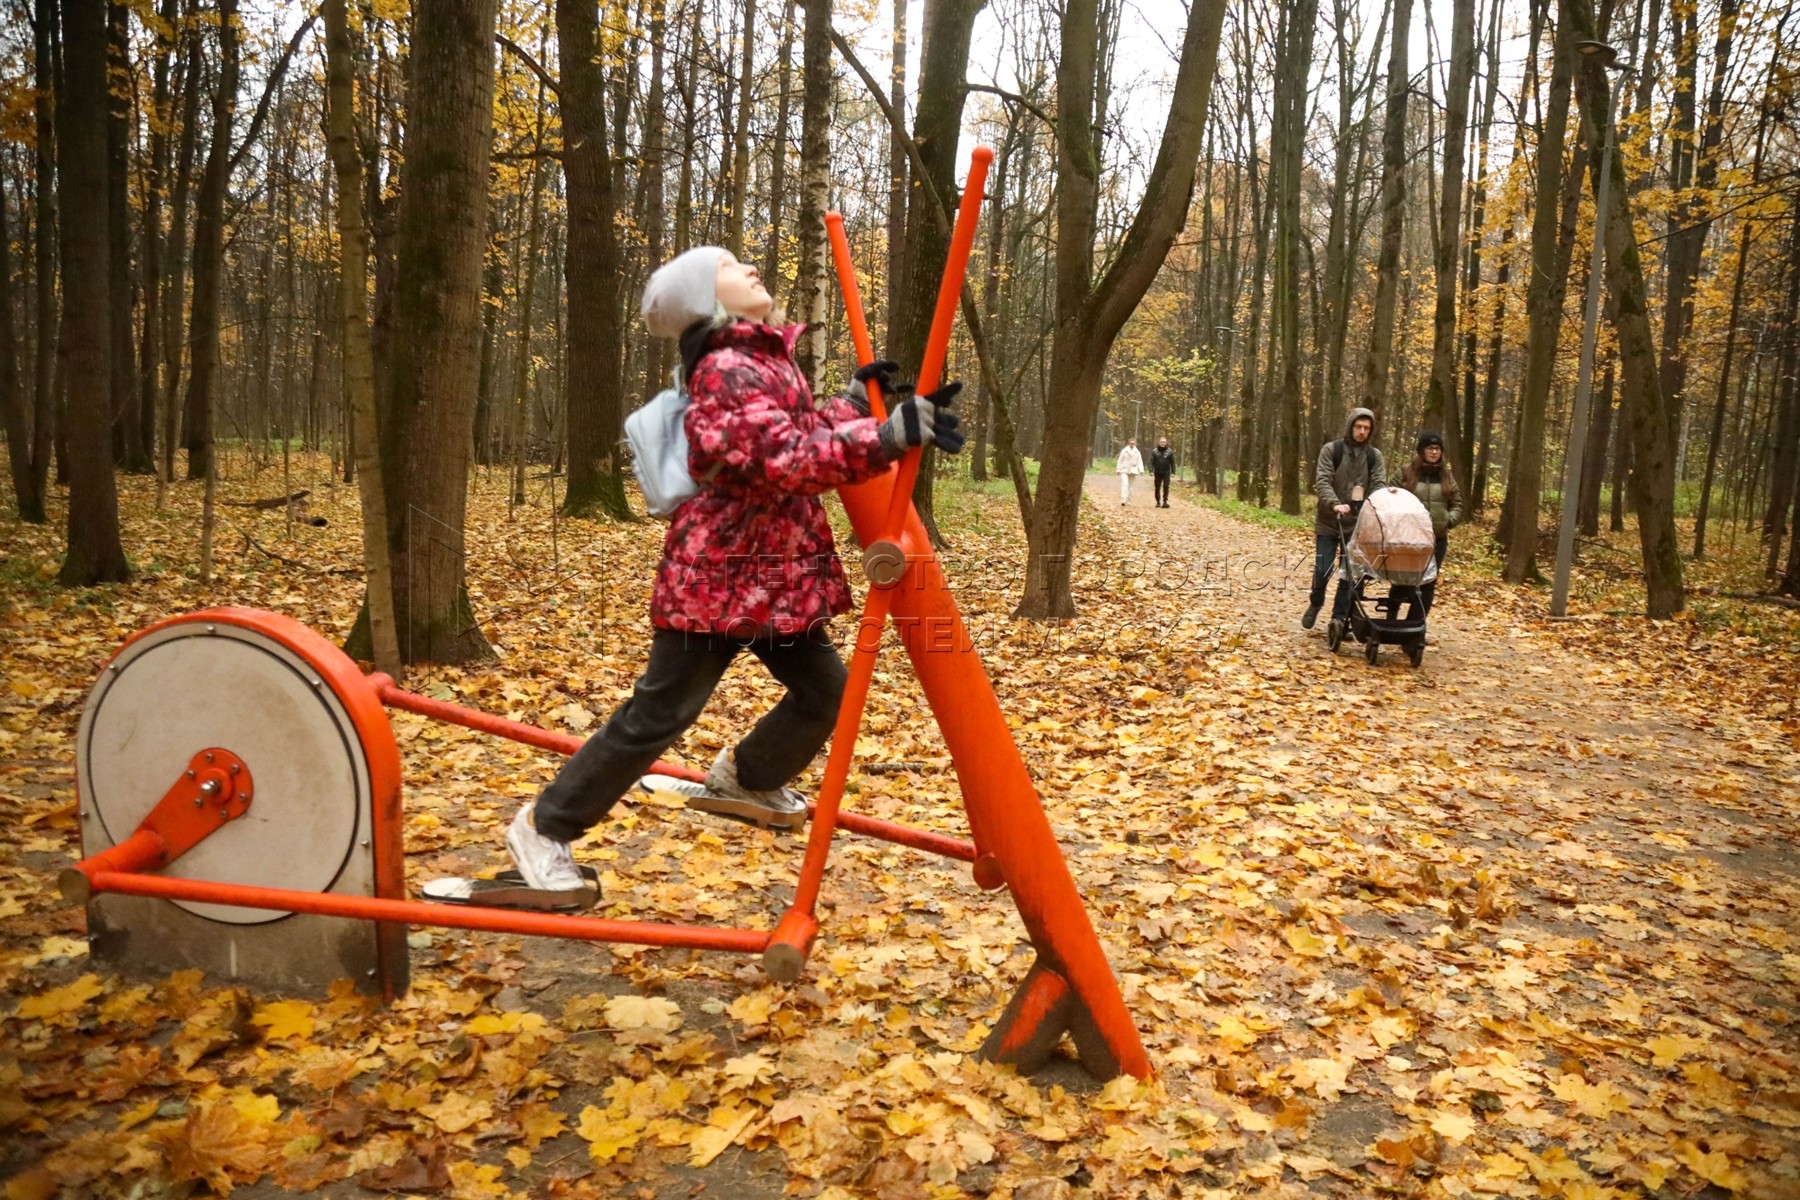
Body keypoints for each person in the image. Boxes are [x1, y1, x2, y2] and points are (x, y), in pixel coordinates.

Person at [506, 246, 965, 894]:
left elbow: (797, 431)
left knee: (826, 694)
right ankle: (544, 828)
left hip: (772, 581)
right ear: (705, 299)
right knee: (657, 716)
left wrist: (850, 403)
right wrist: (885, 437)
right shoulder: (723, 368)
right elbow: (780, 458)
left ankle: (746, 778)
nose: (748, 268)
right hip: (718, 580)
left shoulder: (761, 359)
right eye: (725, 267)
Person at [1303, 407, 1386, 635]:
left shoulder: (1374, 457)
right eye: (1358, 427)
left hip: (1358, 525)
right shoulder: (1332, 450)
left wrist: (1372, 505)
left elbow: (1379, 483)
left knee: (1350, 573)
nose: (1362, 432)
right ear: (1350, 426)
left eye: (1366, 428)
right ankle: (1316, 601)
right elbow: (1323, 480)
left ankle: (1340, 619)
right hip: (1329, 521)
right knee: (1323, 568)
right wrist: (1334, 503)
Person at [1398, 431, 1462, 616]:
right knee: (1402, 579)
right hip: (1408, 538)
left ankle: (1415, 625)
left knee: (1428, 582)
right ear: (1421, 450)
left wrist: (1449, 520)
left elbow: (1457, 503)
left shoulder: (1446, 476)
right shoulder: (1405, 472)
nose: (1434, 452)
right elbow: (1390, 496)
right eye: (1430, 448)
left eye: (1438, 449)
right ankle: (1391, 616)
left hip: (1437, 539)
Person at [1149, 437, 1176, 507]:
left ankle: (1165, 501)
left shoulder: (1169, 451)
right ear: (1159, 442)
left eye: (1164, 442)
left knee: (1166, 486)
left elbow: (1173, 462)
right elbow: (1151, 462)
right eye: (1161, 442)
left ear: (1166, 443)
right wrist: (1151, 470)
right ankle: (1158, 501)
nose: (1162, 443)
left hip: (1166, 471)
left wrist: (1173, 472)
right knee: (1157, 487)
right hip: (1157, 472)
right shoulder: (1154, 451)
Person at [1117, 438, 1143, 505]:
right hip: (1124, 469)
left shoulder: (1137, 452)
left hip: (1133, 470)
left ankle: (1129, 500)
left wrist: (1141, 470)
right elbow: (1120, 460)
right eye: (1131, 443)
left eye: (1133, 443)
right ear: (1129, 443)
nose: (1132, 445)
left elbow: (1139, 461)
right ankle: (1123, 499)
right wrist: (1118, 469)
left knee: (1130, 486)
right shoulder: (1124, 451)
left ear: (1135, 444)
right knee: (1125, 484)